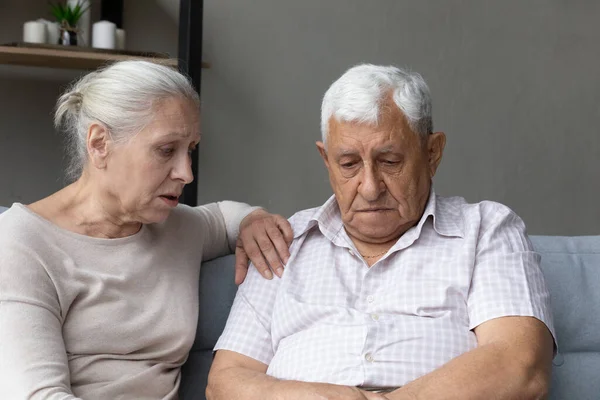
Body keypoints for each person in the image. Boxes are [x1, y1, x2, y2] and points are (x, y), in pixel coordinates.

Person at [208, 64, 556, 400]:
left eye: (390, 161)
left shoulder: (486, 230)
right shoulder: (281, 241)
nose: (370, 187)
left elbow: (520, 366)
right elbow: (226, 382)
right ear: (326, 159)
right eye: (348, 164)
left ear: (432, 153)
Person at [0, 60, 293, 399]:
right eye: (166, 150)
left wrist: (253, 221)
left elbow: (224, 217)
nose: (186, 173)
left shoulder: (177, 227)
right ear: (99, 144)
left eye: (190, 151)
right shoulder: (21, 244)